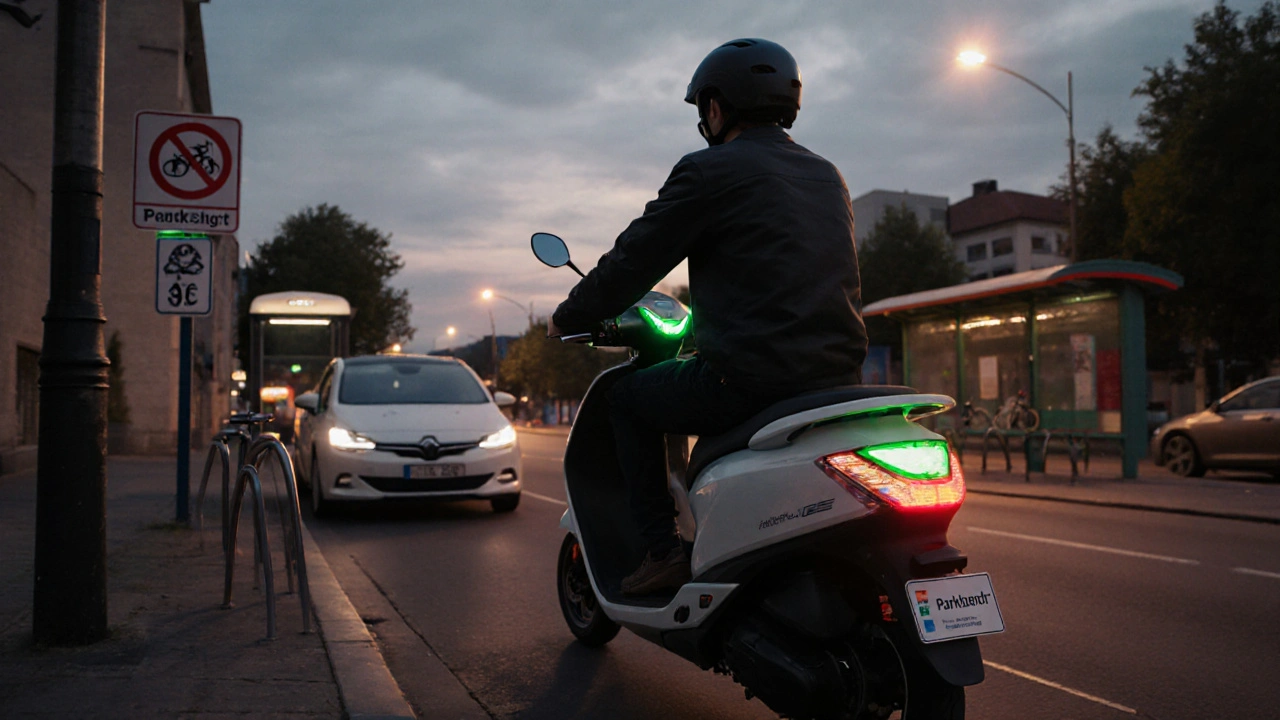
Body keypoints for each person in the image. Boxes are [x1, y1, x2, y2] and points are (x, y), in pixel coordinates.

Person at [548, 38, 868, 595]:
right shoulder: (828, 175)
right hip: (837, 380)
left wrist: (567, 316)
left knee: (628, 401)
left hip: (748, 378)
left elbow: (632, 262)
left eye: (704, 109)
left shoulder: (708, 172)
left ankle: (661, 550)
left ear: (716, 109)